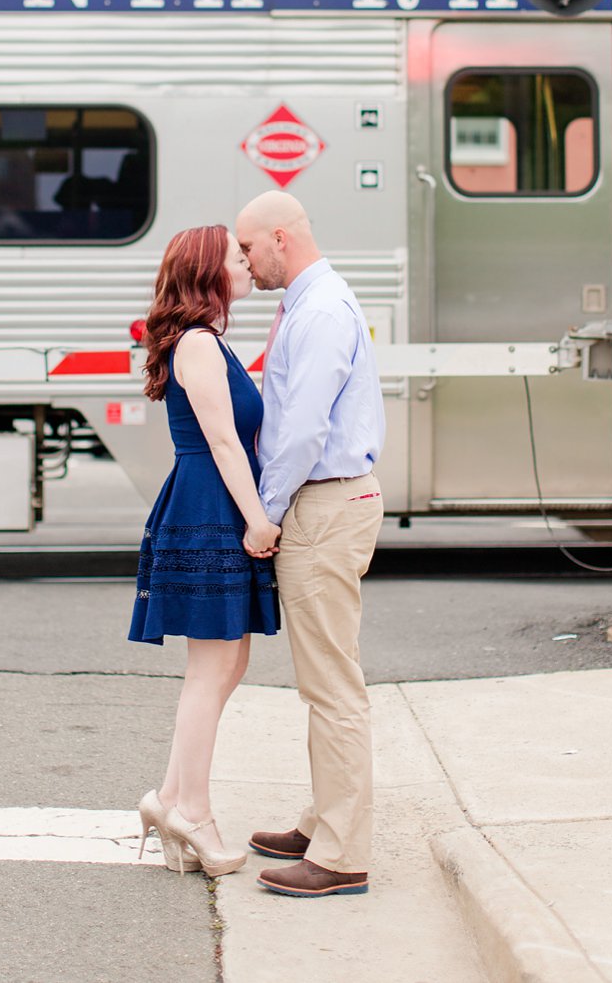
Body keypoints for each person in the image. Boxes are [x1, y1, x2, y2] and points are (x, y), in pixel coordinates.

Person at [235, 189, 385, 899]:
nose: (243, 261)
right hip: (329, 504)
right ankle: (325, 820)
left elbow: (301, 430)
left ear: (280, 238)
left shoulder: (319, 311)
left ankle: (341, 853)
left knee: (331, 685)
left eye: (247, 248)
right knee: (328, 675)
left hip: (323, 505)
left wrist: (264, 514)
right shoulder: (313, 304)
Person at [129, 224, 281, 880]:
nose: (245, 263)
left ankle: (170, 798)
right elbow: (224, 442)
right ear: (207, 274)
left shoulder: (206, 342)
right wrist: (258, 522)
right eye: (234, 257)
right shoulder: (197, 344)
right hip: (210, 507)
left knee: (225, 663)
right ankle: (192, 809)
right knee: (211, 667)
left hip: (213, 503)